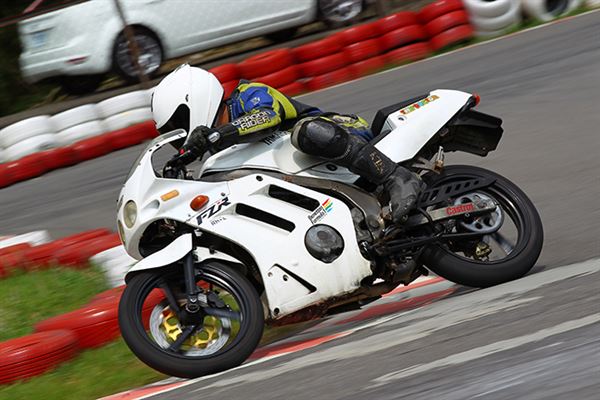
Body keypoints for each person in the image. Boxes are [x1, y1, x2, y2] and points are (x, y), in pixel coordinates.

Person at [151, 64, 422, 223]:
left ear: (195, 100)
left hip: (341, 134)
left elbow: (268, 116)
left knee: (306, 132)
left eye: (178, 124)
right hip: (308, 181)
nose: (181, 134)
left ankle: (396, 177)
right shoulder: (219, 157)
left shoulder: (247, 95)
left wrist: (219, 134)